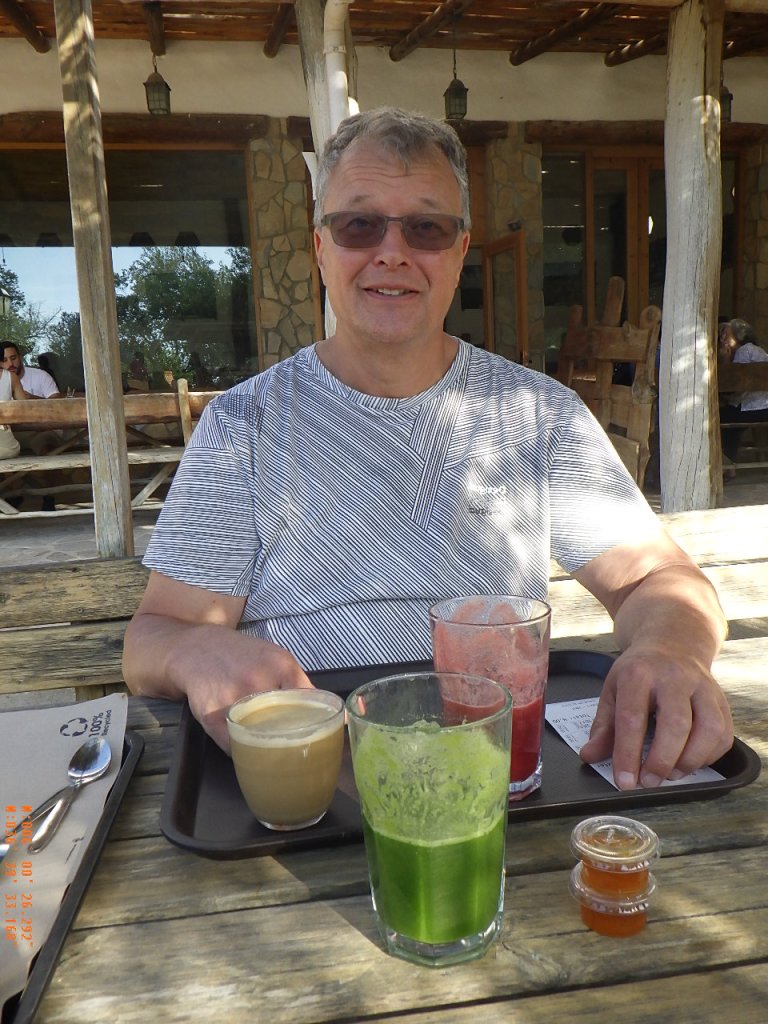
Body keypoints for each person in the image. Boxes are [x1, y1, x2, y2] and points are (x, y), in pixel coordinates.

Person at [123, 107, 732, 792]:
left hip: (497, 782)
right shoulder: (243, 426)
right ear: (321, 248)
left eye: (426, 228)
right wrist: (197, 649)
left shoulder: (538, 414)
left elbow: (659, 579)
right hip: (317, 783)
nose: (392, 252)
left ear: (460, 250)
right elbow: (155, 636)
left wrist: (670, 649)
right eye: (359, 225)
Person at [718, 318, 768, 468]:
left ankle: (727, 464)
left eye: (726, 334)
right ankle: (728, 462)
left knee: (719, 417)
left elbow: (733, 385)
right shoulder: (755, 349)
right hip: (762, 406)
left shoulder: (744, 351)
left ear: (738, 336)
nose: (722, 339)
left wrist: (725, 359)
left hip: (755, 407)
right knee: (729, 415)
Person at [0, 365, 21, 459]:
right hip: (7, 443)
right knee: (12, 448)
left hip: (4, 432)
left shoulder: (10, 377)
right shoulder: (10, 377)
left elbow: (25, 409)